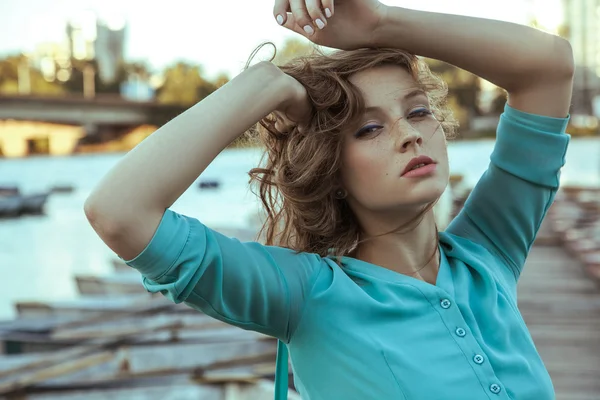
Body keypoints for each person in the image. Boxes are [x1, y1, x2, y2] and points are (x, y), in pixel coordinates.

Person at [84, 1, 574, 399]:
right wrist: (268, 83)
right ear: (332, 172)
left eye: (418, 111)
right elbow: (119, 211)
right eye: (369, 128)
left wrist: (380, 21)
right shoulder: (305, 296)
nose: (409, 135)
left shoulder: (487, 255)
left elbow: (549, 69)